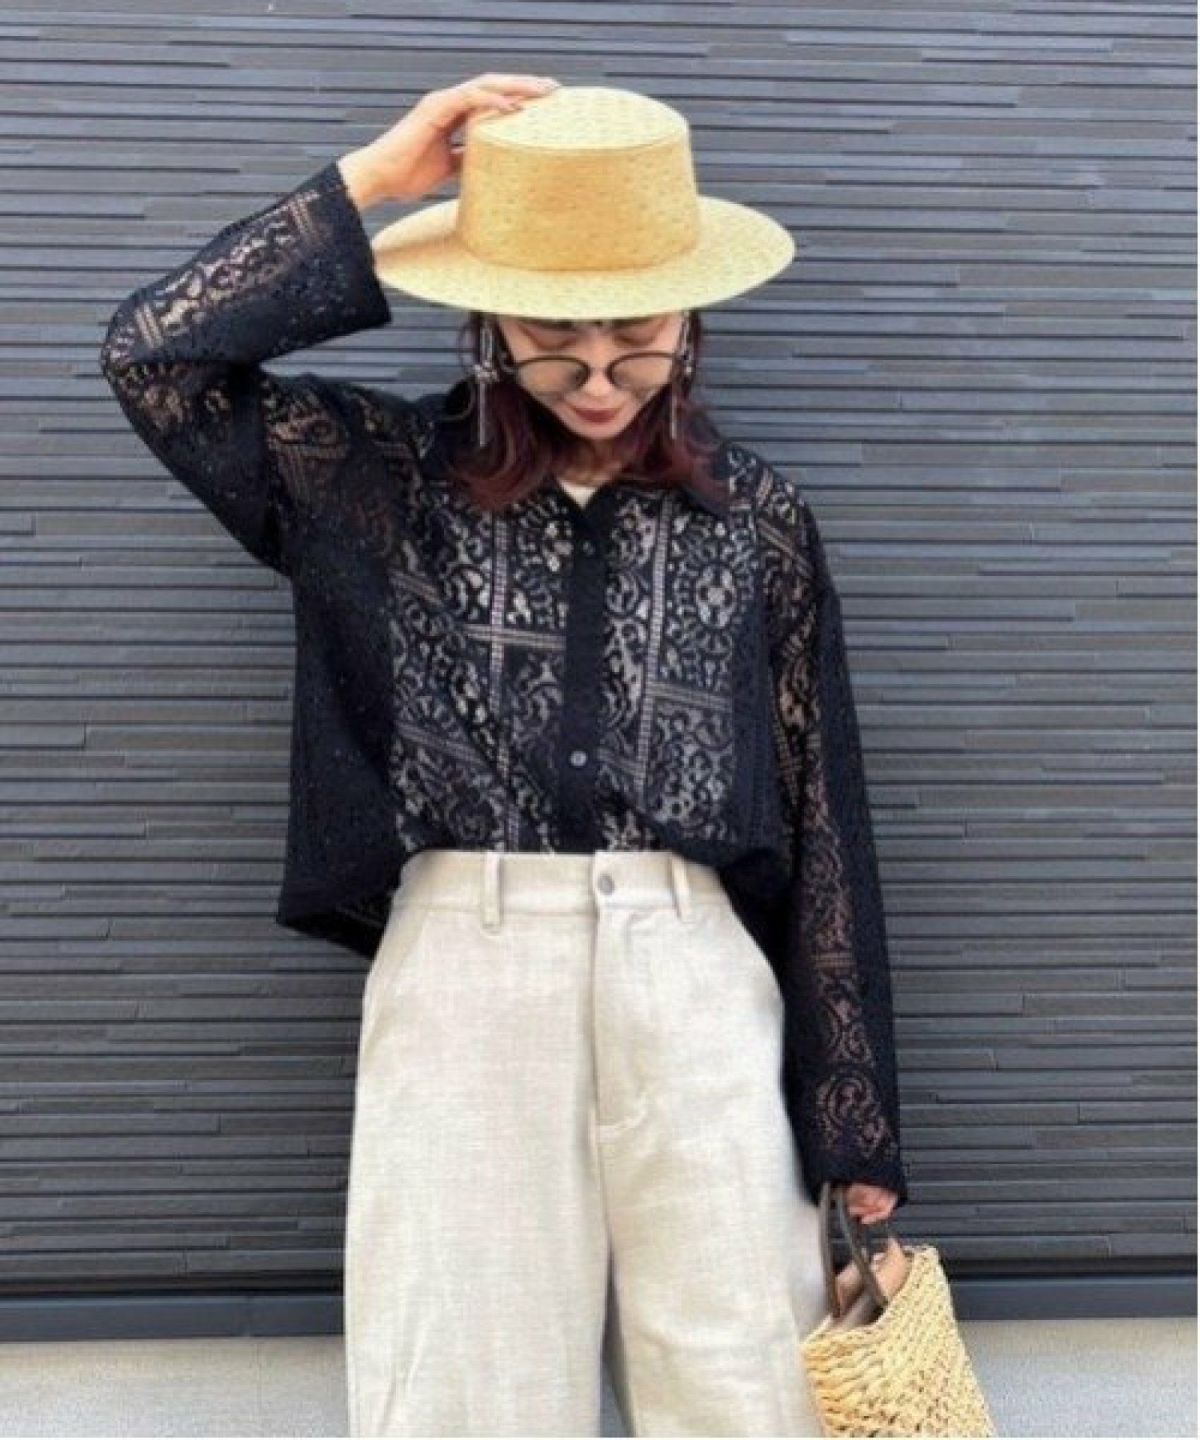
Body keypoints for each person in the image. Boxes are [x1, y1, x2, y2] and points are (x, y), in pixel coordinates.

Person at [100, 74, 908, 1438]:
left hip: (696, 972)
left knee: (747, 1384)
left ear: (692, 318)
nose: (597, 377)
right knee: (465, 1387)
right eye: (551, 340)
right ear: (486, 324)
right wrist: (378, 181)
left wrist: (855, 1123)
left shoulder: (756, 520)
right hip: (467, 973)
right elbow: (156, 361)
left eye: (638, 340)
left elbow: (822, 808)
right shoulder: (371, 472)